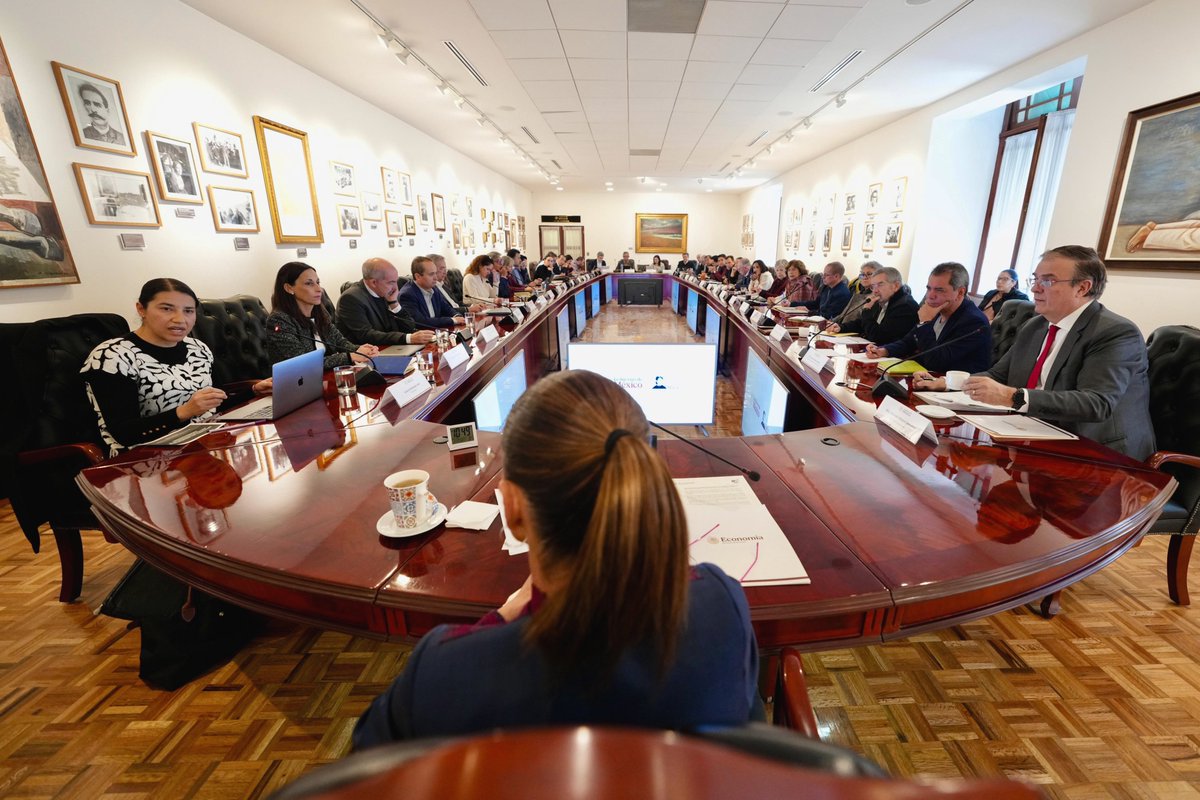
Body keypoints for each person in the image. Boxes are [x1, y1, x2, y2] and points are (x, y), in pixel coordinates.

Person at [352, 370, 759, 746]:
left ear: (513, 508)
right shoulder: (722, 606)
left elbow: (363, 774)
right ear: (640, 482)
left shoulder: (447, 673)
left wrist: (501, 620)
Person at [958, 246, 1154, 460]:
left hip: (1098, 455)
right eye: (1035, 280)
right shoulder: (1036, 325)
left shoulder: (1115, 332)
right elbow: (998, 376)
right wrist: (951, 383)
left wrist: (1011, 397)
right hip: (1033, 435)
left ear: (1082, 288)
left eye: (1048, 281)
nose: (1035, 289)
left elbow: (1096, 403)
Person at [81, 278, 269, 455]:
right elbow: (124, 433)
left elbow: (215, 404)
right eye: (167, 309)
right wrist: (184, 412)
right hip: (145, 458)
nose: (180, 319)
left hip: (204, 442)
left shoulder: (197, 348)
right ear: (141, 309)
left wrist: (254, 391)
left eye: (188, 311)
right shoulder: (112, 357)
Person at [870, 261, 991, 374]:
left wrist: (925, 323)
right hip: (929, 379)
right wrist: (884, 350)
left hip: (956, 389)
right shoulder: (939, 310)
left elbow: (937, 362)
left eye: (939, 290)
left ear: (960, 293)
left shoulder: (974, 322)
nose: (930, 295)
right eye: (929, 288)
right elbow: (909, 342)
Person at [267, 262, 379, 369]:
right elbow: (302, 362)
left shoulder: (320, 312)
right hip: (296, 383)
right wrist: (349, 357)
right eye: (309, 283)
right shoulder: (279, 320)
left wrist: (361, 350)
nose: (318, 289)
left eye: (318, 282)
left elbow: (340, 342)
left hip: (325, 377)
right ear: (289, 288)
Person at [337, 258, 436, 348]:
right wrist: (407, 338)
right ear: (373, 282)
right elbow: (366, 335)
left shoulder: (386, 293)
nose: (395, 287)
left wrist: (394, 303)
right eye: (391, 282)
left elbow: (410, 327)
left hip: (392, 348)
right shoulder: (351, 298)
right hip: (366, 356)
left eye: (396, 281)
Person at [825, 267, 919, 345]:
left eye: (880, 285)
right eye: (873, 286)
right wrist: (841, 327)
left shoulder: (905, 306)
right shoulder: (885, 299)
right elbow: (862, 323)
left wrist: (866, 311)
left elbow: (878, 337)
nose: (875, 290)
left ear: (896, 286)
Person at [398, 256, 465, 329]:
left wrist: (457, 316)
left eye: (436, 273)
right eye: (431, 274)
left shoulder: (433, 288)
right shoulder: (407, 294)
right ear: (418, 276)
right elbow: (420, 322)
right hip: (423, 336)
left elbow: (447, 309)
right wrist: (453, 320)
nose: (435, 278)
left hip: (439, 332)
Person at [77, 82, 125, 146]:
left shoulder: (121, 138)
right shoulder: (82, 134)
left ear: (107, 110)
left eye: (97, 104)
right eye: (87, 103)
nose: (93, 110)